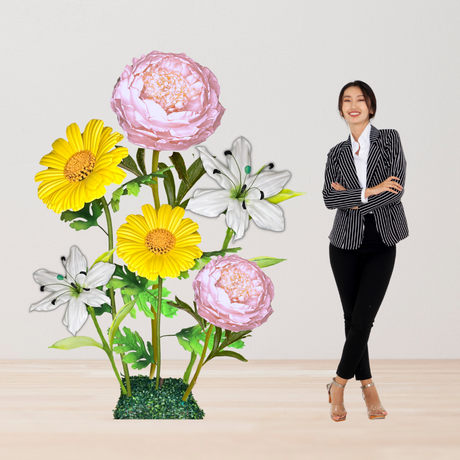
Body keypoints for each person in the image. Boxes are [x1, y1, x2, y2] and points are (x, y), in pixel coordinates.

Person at [322, 80, 408, 422]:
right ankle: (368, 383)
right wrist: (370, 190)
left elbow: (396, 191)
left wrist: (353, 196)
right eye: (347, 100)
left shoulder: (389, 139)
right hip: (343, 244)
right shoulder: (336, 153)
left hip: (382, 242)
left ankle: (338, 384)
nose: (354, 104)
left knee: (363, 319)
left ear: (371, 107)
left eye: (361, 99)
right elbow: (329, 199)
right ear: (341, 109)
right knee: (352, 320)